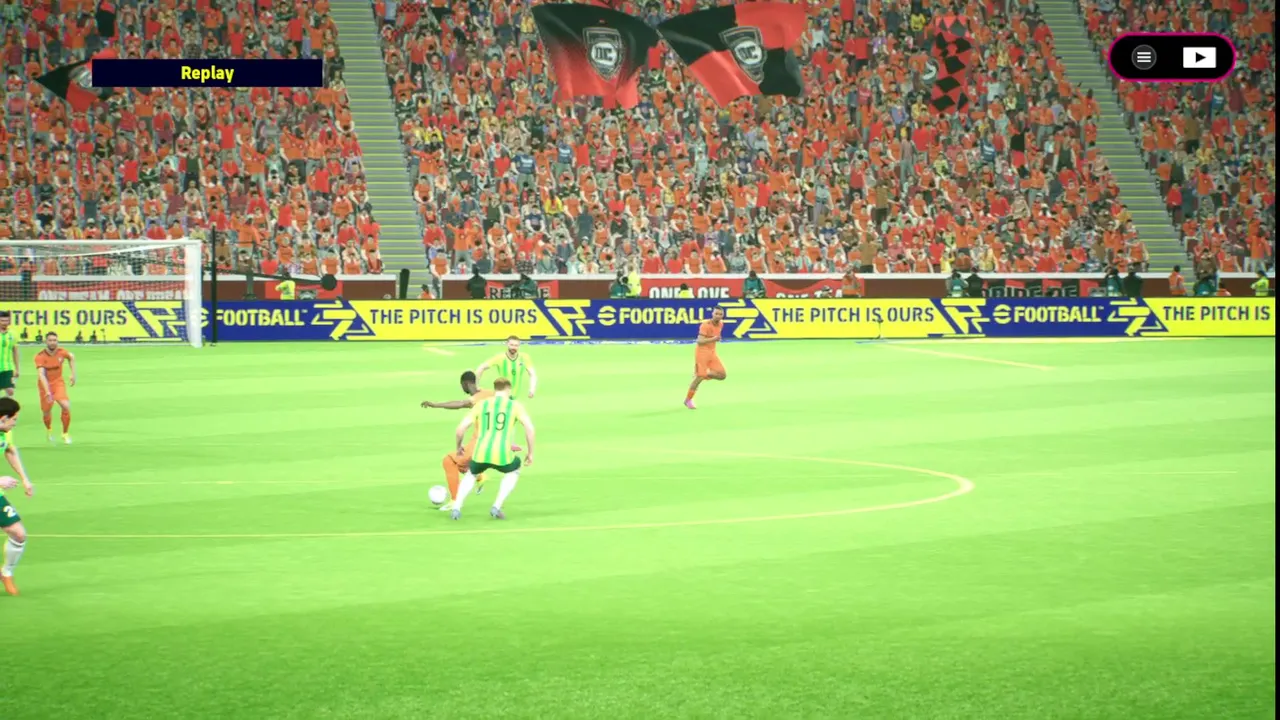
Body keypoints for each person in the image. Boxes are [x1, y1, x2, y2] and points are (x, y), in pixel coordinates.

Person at [450, 378, 535, 520]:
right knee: (514, 469)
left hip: (481, 453)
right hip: (502, 454)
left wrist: (458, 447)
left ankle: (456, 508)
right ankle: (496, 506)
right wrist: (530, 453)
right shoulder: (515, 406)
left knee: (471, 473)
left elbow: (460, 429)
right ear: (508, 389)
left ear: (495, 389)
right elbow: (530, 429)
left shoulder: (481, 405)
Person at [420, 371, 499, 511]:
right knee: (461, 463)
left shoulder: (477, 398)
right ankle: (479, 476)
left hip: (481, 442)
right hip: (493, 441)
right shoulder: (490, 393)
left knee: (449, 461)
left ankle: (455, 501)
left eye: (462, 385)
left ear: (466, 383)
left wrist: (435, 404)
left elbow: (460, 403)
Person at [0, 397, 34, 596]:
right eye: (14, 420)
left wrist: (25, 479)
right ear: (3, 418)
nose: (15, 423)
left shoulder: (5, 432)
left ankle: (6, 573)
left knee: (19, 534)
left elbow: (10, 450)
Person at [34, 331, 75, 444]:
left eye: (55, 340)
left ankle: (65, 433)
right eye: (50, 340)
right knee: (46, 411)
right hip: (45, 386)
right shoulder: (40, 356)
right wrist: (47, 391)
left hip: (58, 383)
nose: (53, 342)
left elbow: (71, 357)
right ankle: (49, 429)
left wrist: (73, 374)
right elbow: (41, 374)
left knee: (65, 406)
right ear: (46, 342)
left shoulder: (61, 352)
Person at [685, 306, 726, 409]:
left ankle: (700, 374)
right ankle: (688, 399)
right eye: (716, 314)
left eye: (720, 314)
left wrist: (714, 339)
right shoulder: (705, 325)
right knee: (700, 376)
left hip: (712, 352)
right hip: (702, 353)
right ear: (712, 314)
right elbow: (699, 341)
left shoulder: (721, 324)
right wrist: (713, 339)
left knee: (722, 375)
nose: (718, 316)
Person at [0, 312, 18, 399]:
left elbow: (15, 351)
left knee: (10, 391)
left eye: (6, 320)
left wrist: (17, 368)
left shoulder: (13, 334)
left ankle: (6, 406)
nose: (5, 323)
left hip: (8, 367)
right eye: (2, 320)